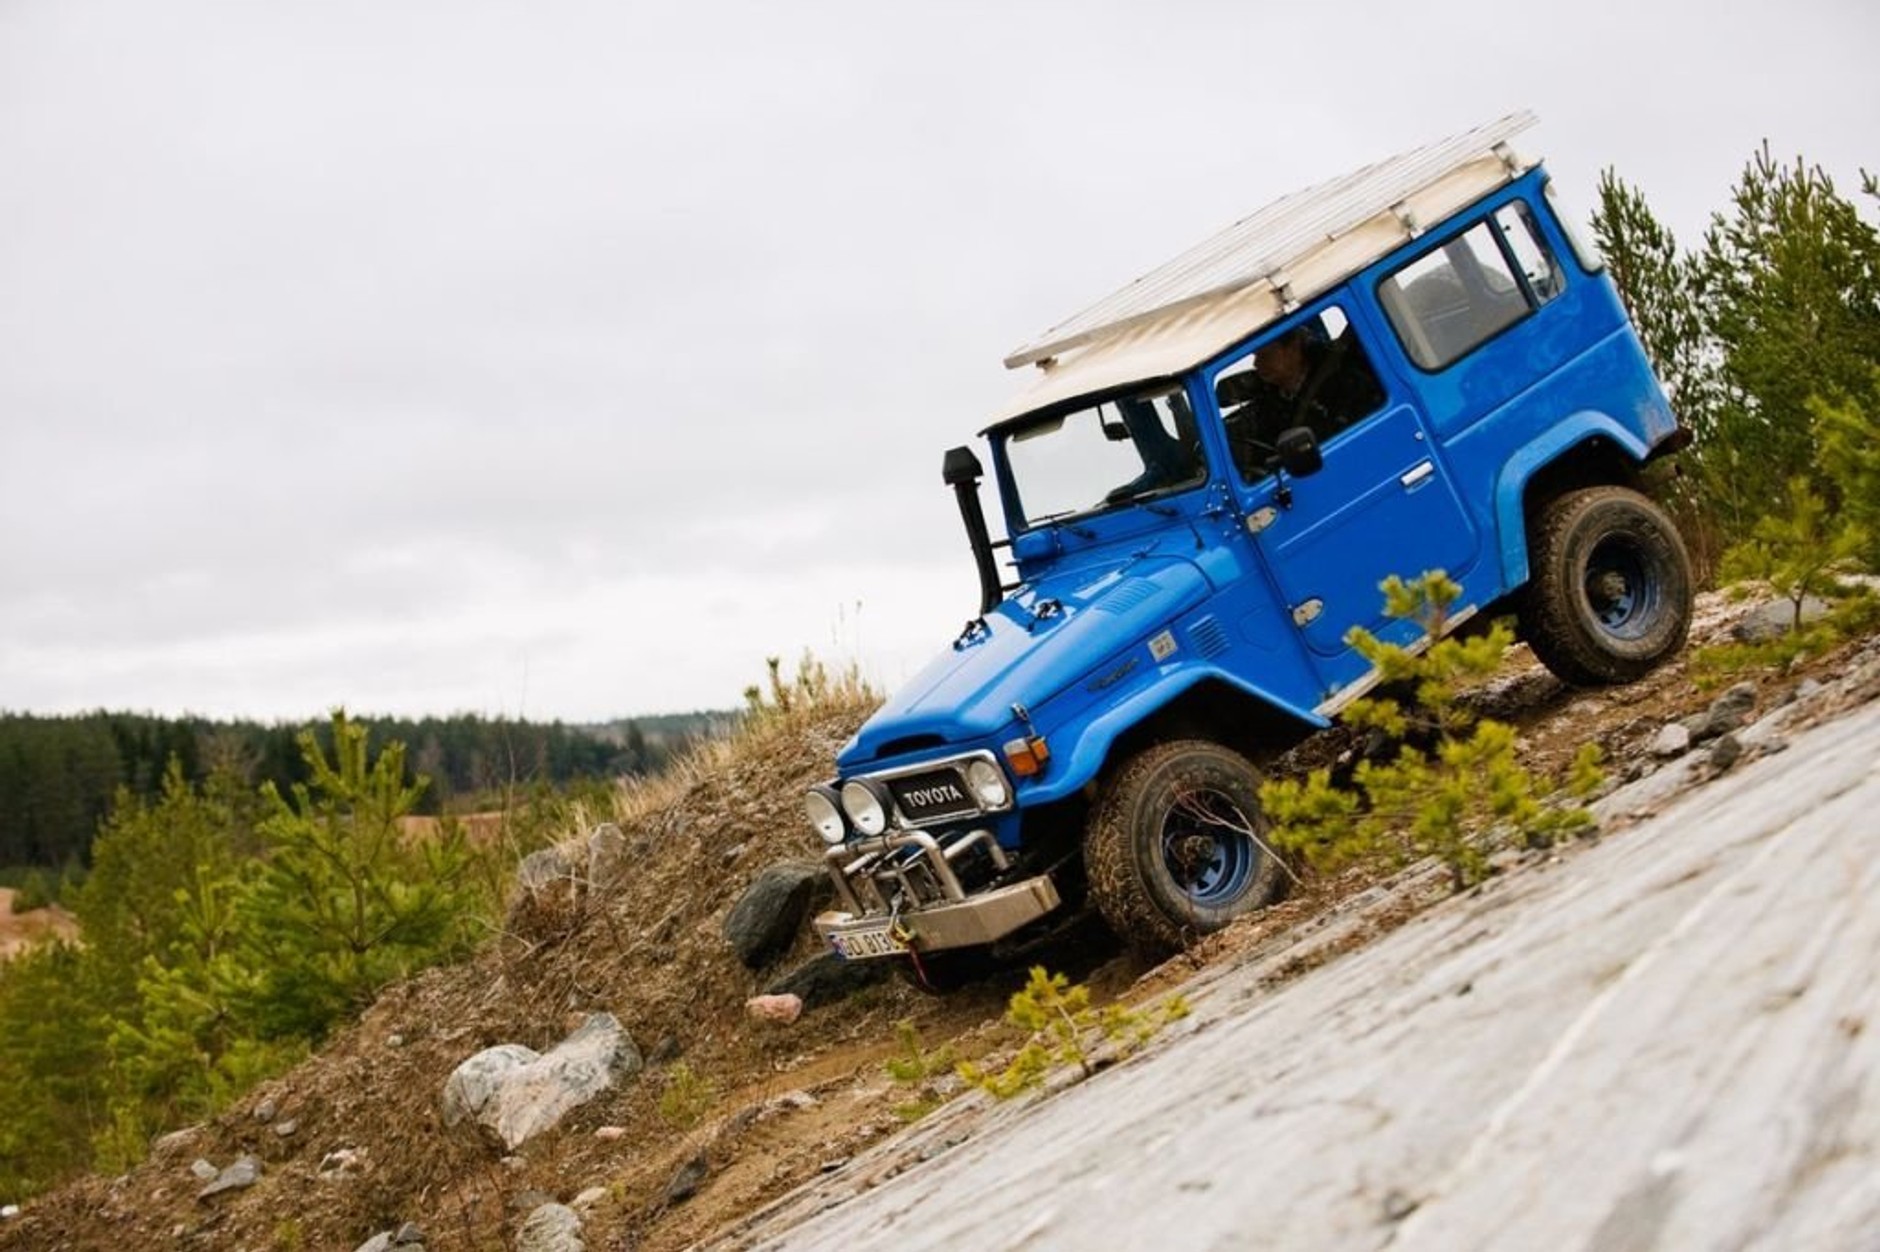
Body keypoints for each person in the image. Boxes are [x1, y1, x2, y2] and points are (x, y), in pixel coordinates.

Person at [1220, 320, 1385, 479]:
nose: (1256, 364)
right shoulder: (1268, 405)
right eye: (1256, 356)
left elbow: (1365, 431)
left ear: (1293, 349)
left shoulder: (1342, 383)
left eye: (1265, 355)